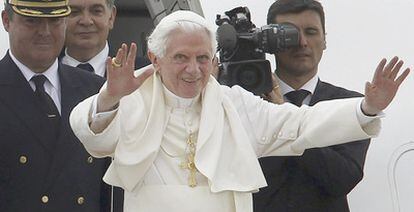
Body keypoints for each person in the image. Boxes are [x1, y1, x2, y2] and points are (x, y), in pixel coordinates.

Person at [69, 10, 409, 212]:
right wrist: (109, 96)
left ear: (214, 61)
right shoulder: (132, 99)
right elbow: (92, 136)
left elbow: (299, 125)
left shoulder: (234, 103)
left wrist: (366, 108)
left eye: (202, 58)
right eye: (181, 58)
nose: (193, 69)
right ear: (156, 59)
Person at [253, 1, 378, 211]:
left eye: (311, 32)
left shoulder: (349, 106)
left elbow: (342, 179)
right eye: (290, 34)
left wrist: (284, 111)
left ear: (324, 40)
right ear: (271, 43)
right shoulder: (246, 103)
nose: (302, 42)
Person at [0, 0, 114, 211]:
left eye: (54, 21)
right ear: (7, 21)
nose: (45, 32)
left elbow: (109, 188)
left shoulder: (97, 91)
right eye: (32, 21)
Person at [61, 0, 149, 76]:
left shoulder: (143, 72)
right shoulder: (48, 71)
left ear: (111, 17)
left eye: (96, 11)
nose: (86, 21)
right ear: (59, 18)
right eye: (74, 12)